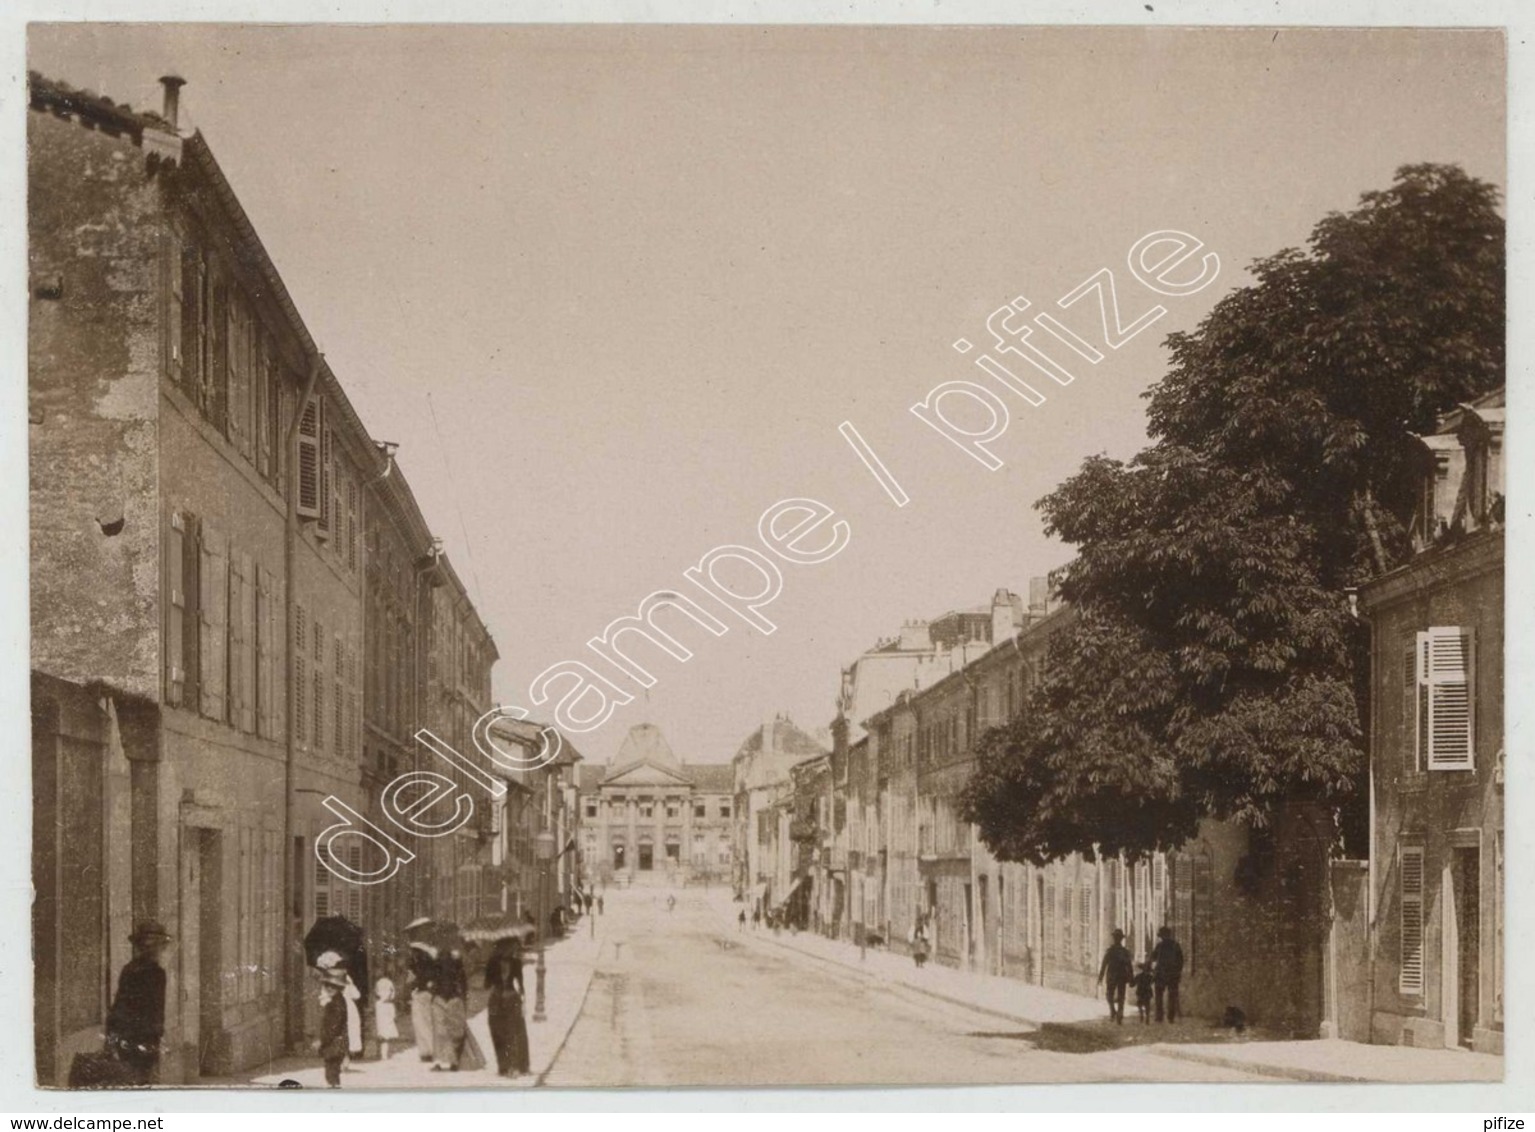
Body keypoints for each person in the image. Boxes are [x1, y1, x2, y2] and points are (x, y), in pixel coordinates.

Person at [105, 921, 171, 1085]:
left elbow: (119, 1005)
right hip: (145, 1036)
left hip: (126, 1033)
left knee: (131, 1077)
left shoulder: (129, 969)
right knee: (142, 1078)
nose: (155, 950)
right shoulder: (157, 973)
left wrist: (112, 1034)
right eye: (153, 946)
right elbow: (156, 1010)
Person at [485, 938, 530, 1077]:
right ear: (501, 947)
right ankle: (503, 1066)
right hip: (496, 1000)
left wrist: (522, 996)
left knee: (513, 1033)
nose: (512, 950)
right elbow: (486, 984)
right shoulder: (492, 963)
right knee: (497, 1033)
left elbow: (521, 984)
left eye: (513, 948)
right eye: (510, 947)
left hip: (511, 999)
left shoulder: (516, 963)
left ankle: (514, 1066)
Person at [316, 969, 350, 1088]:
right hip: (337, 1042)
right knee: (333, 1072)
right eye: (327, 985)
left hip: (333, 1043)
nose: (329, 988)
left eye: (333, 986)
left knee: (331, 1072)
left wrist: (322, 1040)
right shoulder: (339, 1001)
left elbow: (333, 1026)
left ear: (339, 988)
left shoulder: (335, 1004)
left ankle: (334, 1091)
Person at [406, 945, 437, 1063]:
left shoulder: (417, 967)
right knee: (428, 1023)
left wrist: (412, 981)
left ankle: (426, 1051)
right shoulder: (431, 965)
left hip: (420, 995)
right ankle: (431, 1050)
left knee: (420, 1024)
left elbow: (411, 981)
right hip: (428, 995)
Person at [1096, 928, 1133, 1025]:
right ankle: (1117, 1013)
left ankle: (1115, 1012)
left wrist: (1100, 977)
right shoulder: (1124, 952)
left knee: (1110, 995)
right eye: (1116, 937)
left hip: (1113, 976)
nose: (1116, 939)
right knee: (1119, 996)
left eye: (1117, 937)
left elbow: (1104, 965)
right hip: (1120, 976)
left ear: (1117, 939)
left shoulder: (1112, 951)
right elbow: (1129, 966)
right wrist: (1131, 978)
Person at [1152, 925, 1185, 1023]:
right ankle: (1170, 1016)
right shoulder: (1175, 945)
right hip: (1172, 974)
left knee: (1159, 995)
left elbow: (1153, 957)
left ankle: (1160, 1016)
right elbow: (1181, 961)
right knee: (1172, 995)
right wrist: (1178, 972)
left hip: (1161, 974)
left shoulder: (1160, 946)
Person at [374, 975, 398, 1059]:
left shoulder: (378, 1004)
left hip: (381, 1024)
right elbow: (393, 1016)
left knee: (382, 1039)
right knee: (385, 1040)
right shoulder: (388, 1005)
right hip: (385, 1024)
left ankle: (380, 1053)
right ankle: (383, 1055)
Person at [1132, 960, 1155, 1024]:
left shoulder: (1138, 976)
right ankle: (1147, 1017)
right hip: (1147, 991)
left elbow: (1133, 984)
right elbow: (1153, 981)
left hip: (1140, 991)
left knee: (1139, 1004)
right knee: (1147, 1004)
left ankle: (1141, 1014)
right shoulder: (1150, 977)